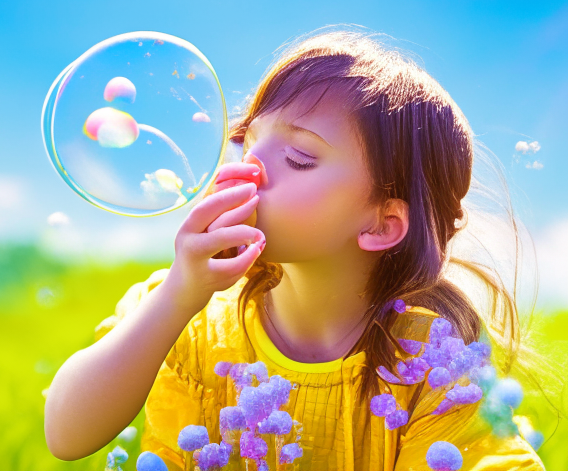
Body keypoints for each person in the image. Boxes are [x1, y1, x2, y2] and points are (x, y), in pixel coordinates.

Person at [44, 28, 557, 470]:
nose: (248, 168)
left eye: (298, 156)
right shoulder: (193, 316)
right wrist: (178, 294)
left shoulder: (428, 362)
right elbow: (66, 436)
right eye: (247, 139)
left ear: (382, 223)